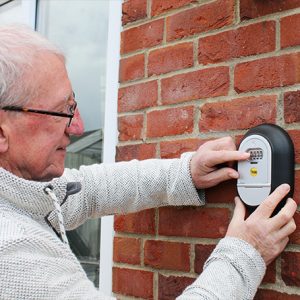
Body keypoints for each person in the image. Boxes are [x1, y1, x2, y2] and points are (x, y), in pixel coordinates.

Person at [0, 24, 296, 300]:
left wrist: (186, 173)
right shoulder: (11, 254)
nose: (77, 126)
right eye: (61, 111)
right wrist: (245, 253)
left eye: (73, 105)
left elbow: (87, 190)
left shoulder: (22, 192)